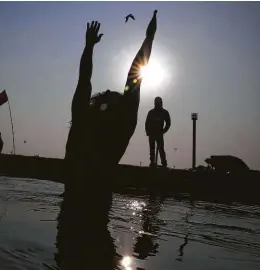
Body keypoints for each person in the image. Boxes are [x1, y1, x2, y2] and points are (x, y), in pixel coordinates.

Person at [56, 11, 158, 270]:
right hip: (86, 232)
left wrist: (90, 47)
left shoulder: (87, 125)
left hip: (72, 233)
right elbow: (127, 80)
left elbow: (91, 81)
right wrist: (148, 40)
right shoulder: (107, 131)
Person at [145, 97, 171, 167]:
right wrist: (147, 131)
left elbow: (168, 123)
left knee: (161, 149)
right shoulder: (151, 112)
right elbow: (147, 123)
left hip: (159, 133)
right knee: (152, 149)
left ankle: (164, 163)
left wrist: (163, 131)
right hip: (152, 133)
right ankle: (152, 162)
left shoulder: (164, 112)